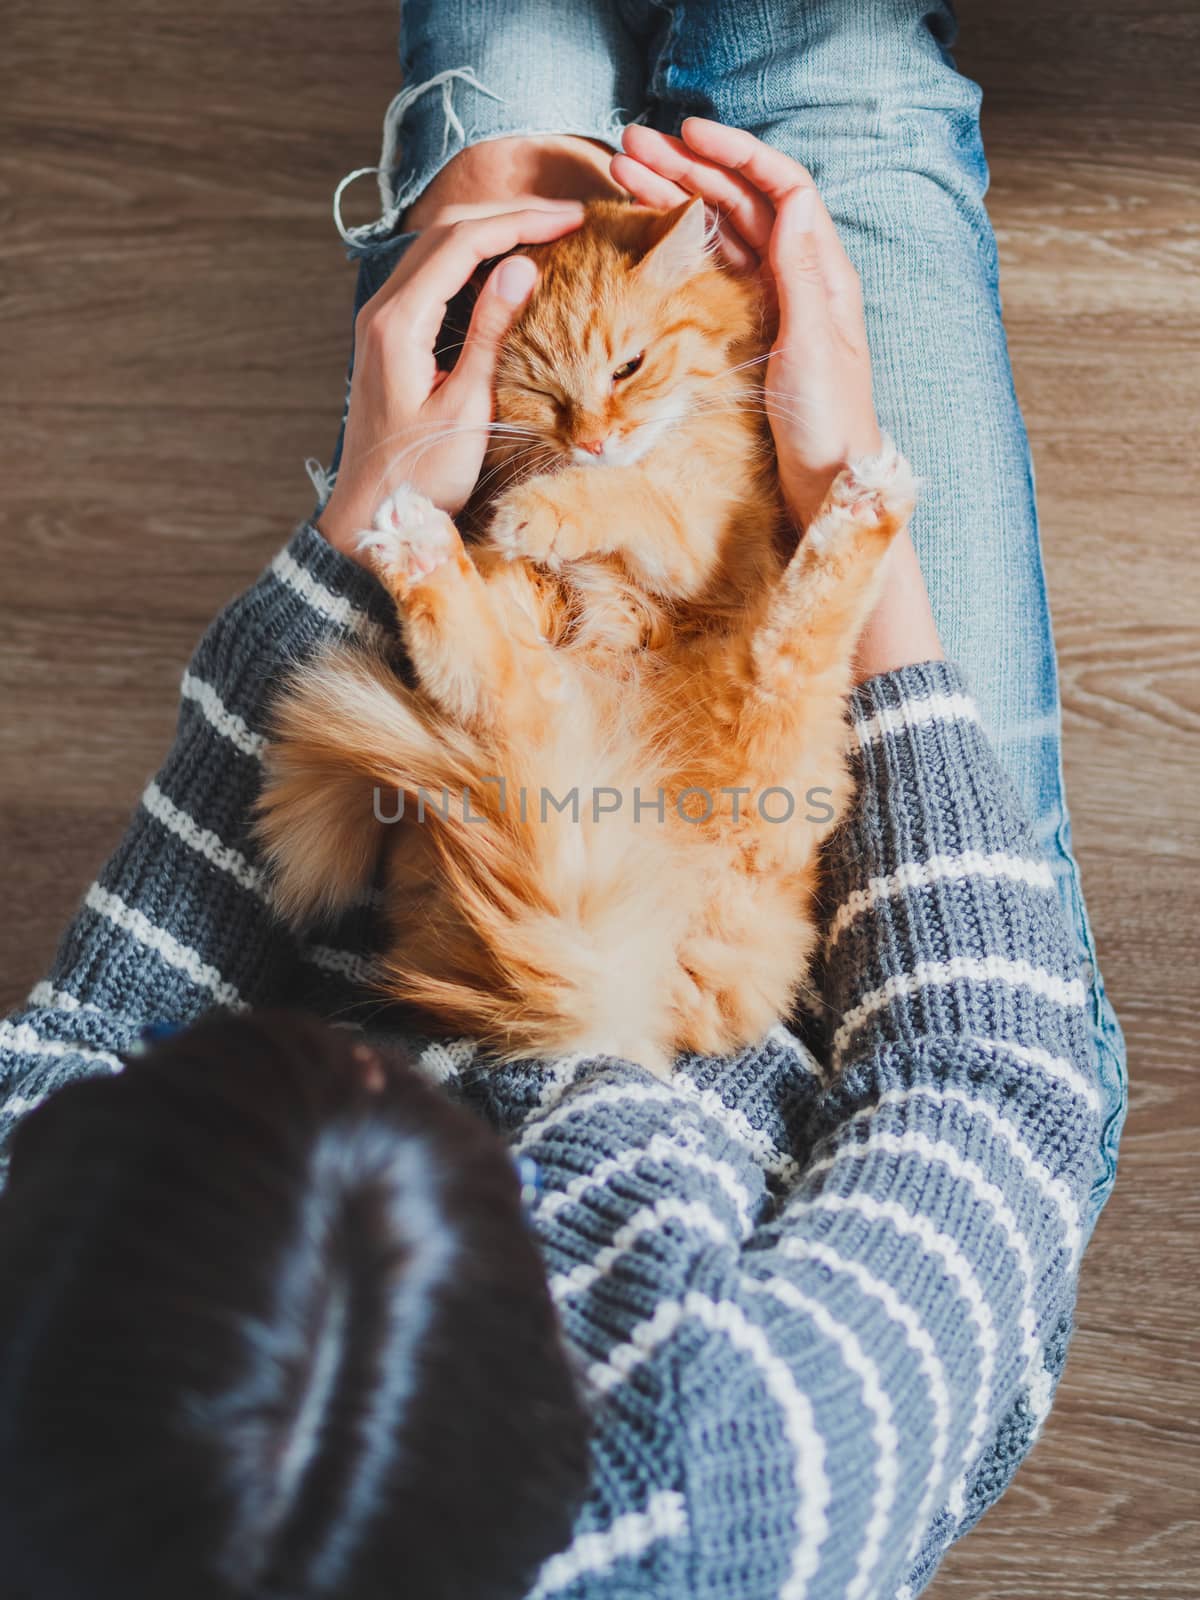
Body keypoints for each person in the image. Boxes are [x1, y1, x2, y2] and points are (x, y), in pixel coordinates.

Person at [0, 2, 1124, 1596]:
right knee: (833, 95)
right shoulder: (742, 1477)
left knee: (513, 126)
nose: (422, 1072)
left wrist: (365, 521)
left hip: (458, 790)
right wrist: (844, 503)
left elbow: (79, 1038)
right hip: (827, 973)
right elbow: (995, 1092)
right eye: (428, 1122)